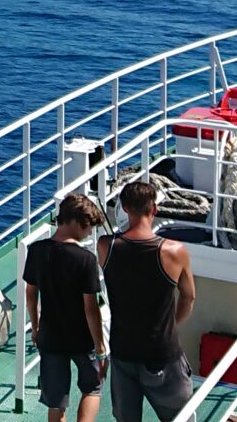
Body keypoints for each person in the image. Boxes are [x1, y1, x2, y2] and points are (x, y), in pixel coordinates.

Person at [100, 177, 196, 421]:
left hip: (123, 352)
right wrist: (171, 325)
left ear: (124, 208)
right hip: (162, 353)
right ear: (154, 209)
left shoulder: (105, 246)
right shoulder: (175, 251)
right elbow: (189, 297)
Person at [23, 192, 107, 422]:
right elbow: (91, 309)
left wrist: (36, 327)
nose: (89, 232)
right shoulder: (85, 259)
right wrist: (100, 348)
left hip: (50, 337)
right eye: (88, 226)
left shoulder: (37, 250)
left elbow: (31, 295)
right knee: (93, 387)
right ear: (75, 222)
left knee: (56, 401)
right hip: (81, 338)